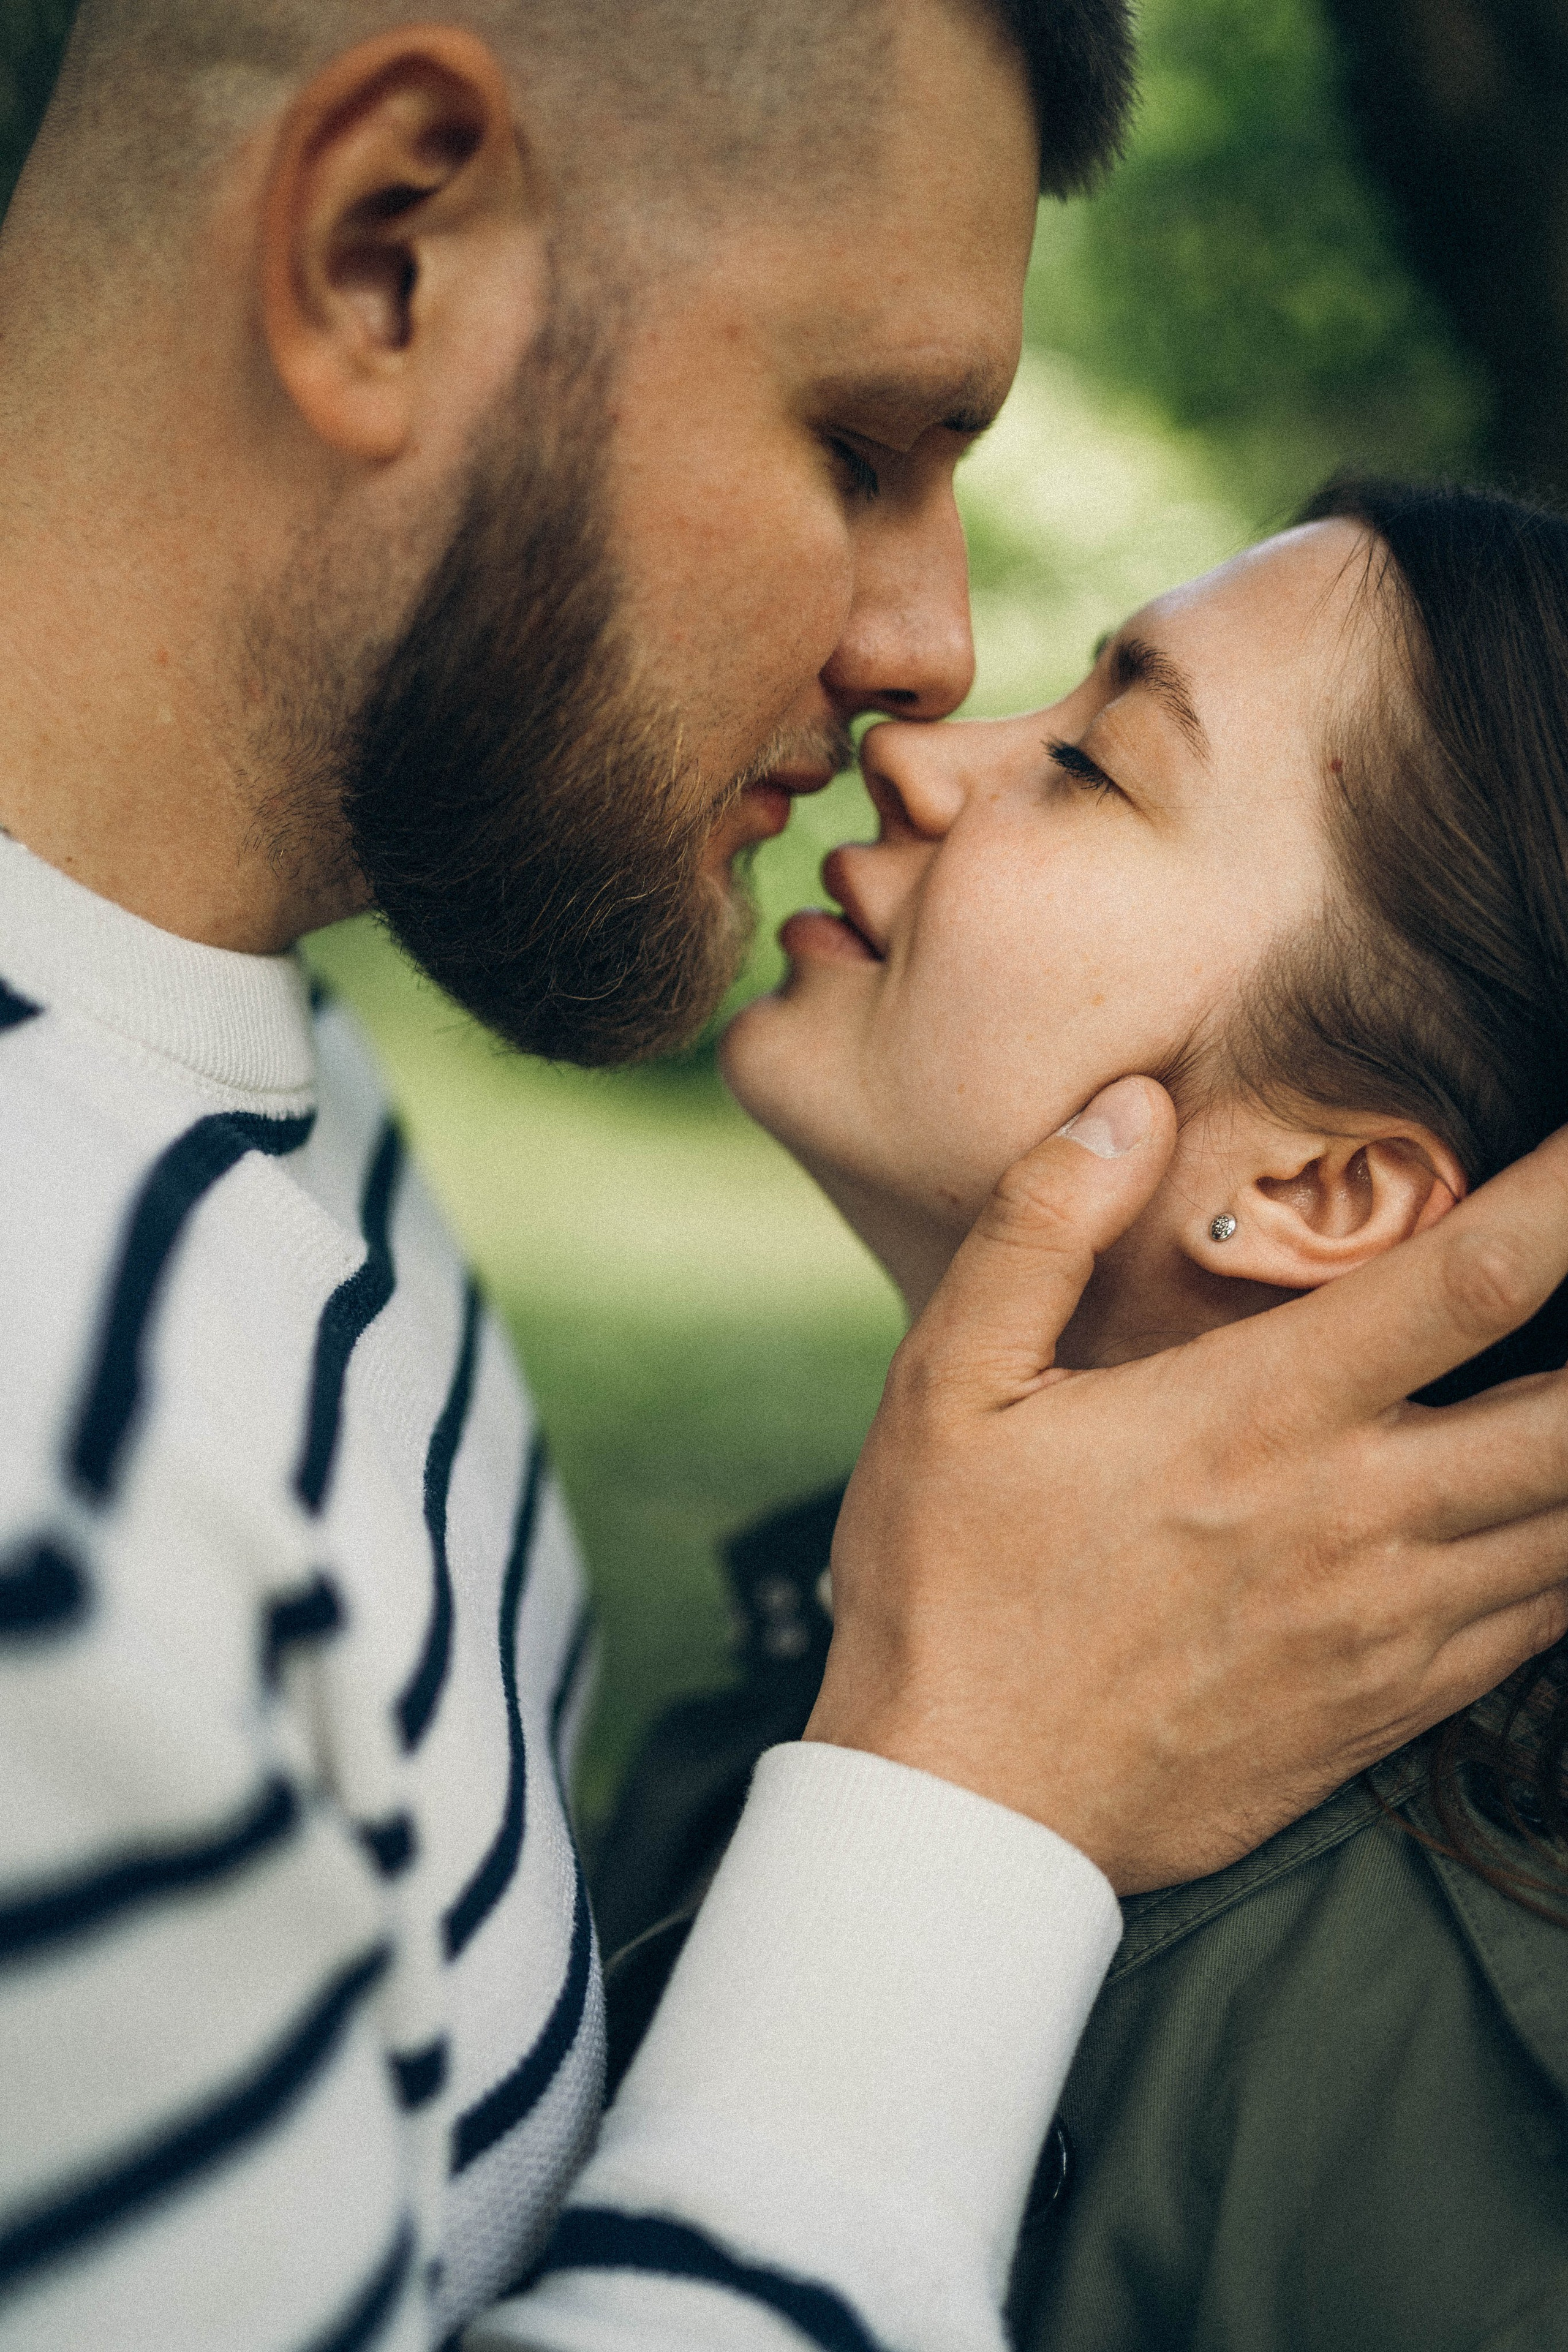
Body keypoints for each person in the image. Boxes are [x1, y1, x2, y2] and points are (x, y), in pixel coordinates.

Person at [2, 0, 1567, 2344]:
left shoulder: (257, 1101)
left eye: (1108, 757)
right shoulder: (57, 1441)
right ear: (382, 252)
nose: (935, 678)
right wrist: (961, 1794)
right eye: (862, 442)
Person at [600, 478, 1568, 2349]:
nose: (926, 757)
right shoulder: (838, 1624)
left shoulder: (1403, 2126)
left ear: (1321, 1194)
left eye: (1099, 762)